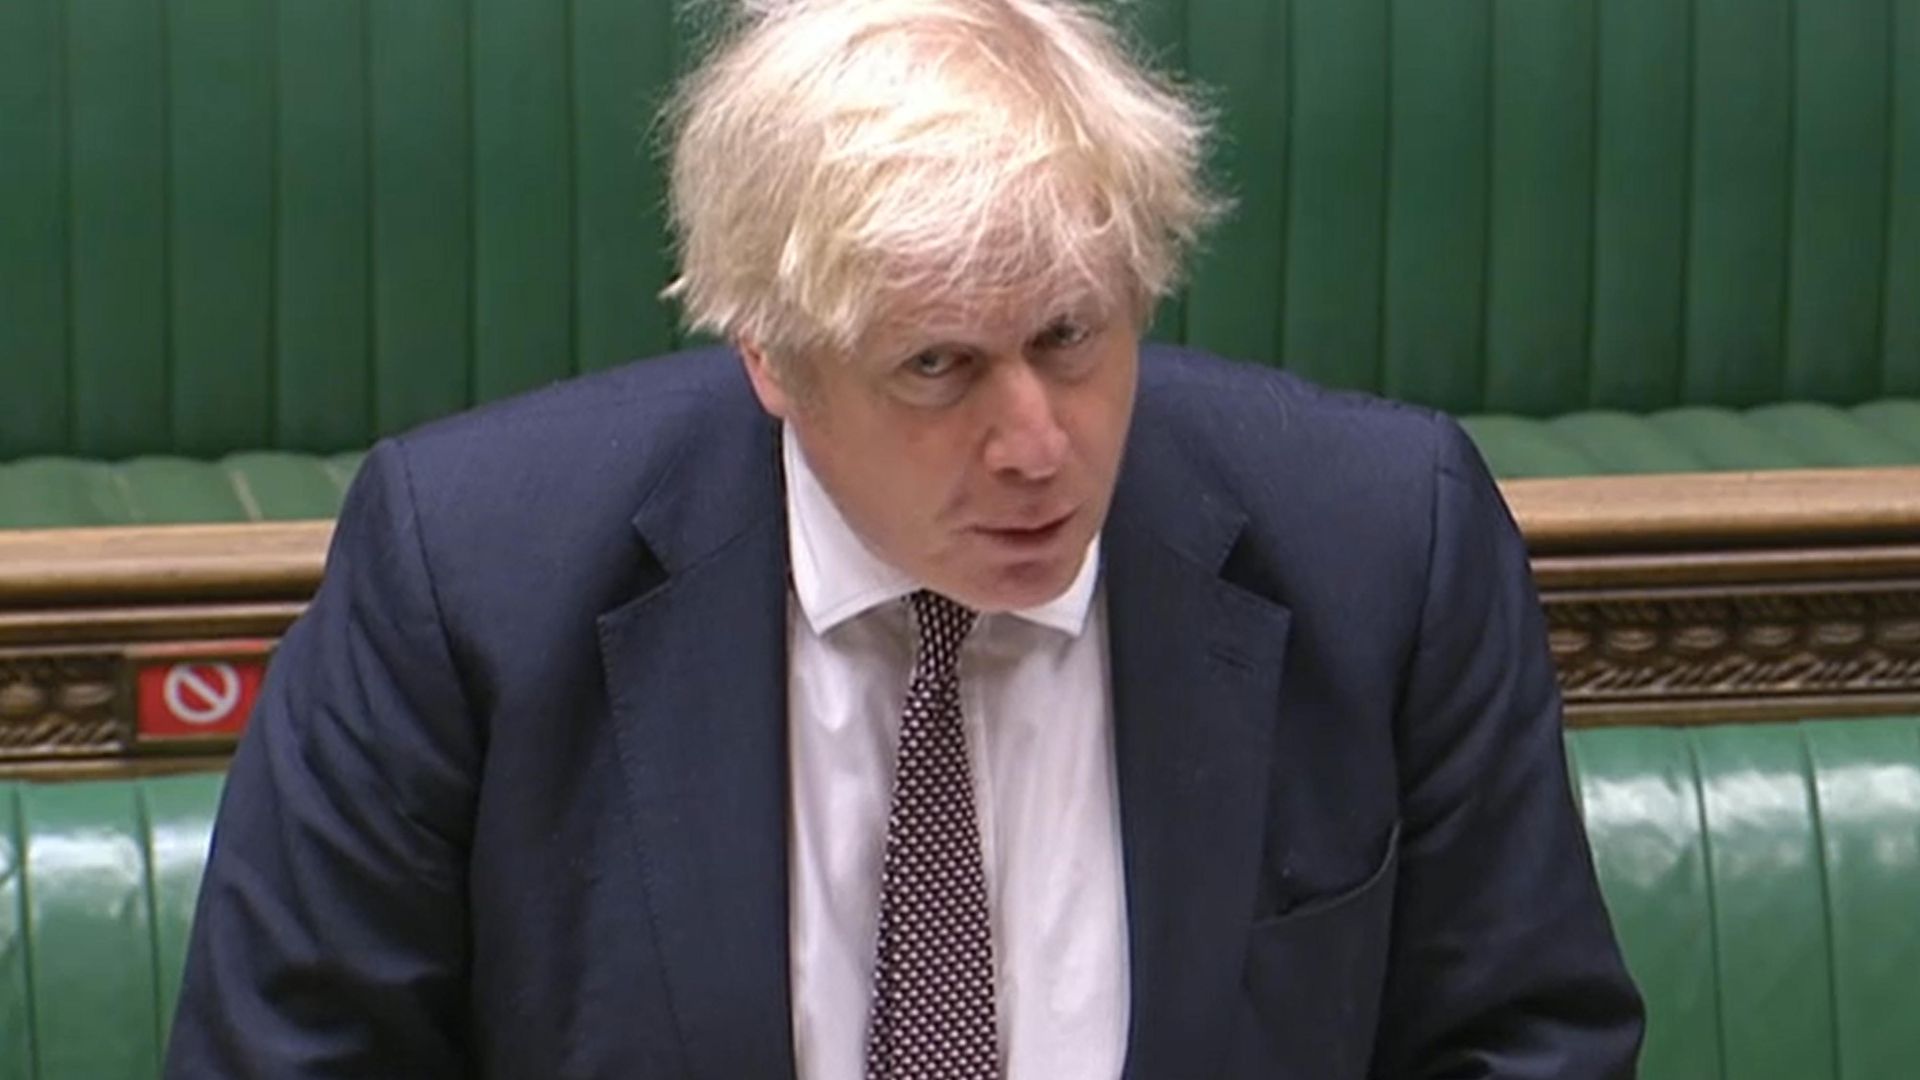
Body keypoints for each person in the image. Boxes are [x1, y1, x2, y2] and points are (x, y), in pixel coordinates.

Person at [165, 0, 1643, 1076]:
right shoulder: (469, 574)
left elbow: (1529, 1045)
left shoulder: (1386, 540)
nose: (1035, 443)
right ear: (771, 358)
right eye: (935, 367)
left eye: (1072, 336)